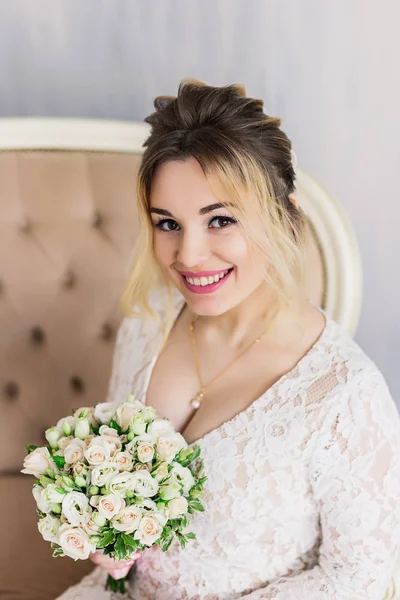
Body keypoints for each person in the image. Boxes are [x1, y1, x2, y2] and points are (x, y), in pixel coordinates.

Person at [56, 80, 400, 600]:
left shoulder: (344, 397)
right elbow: (127, 507)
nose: (189, 256)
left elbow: (361, 579)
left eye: (220, 220)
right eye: (168, 223)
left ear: (284, 214)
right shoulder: (146, 326)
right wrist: (112, 542)